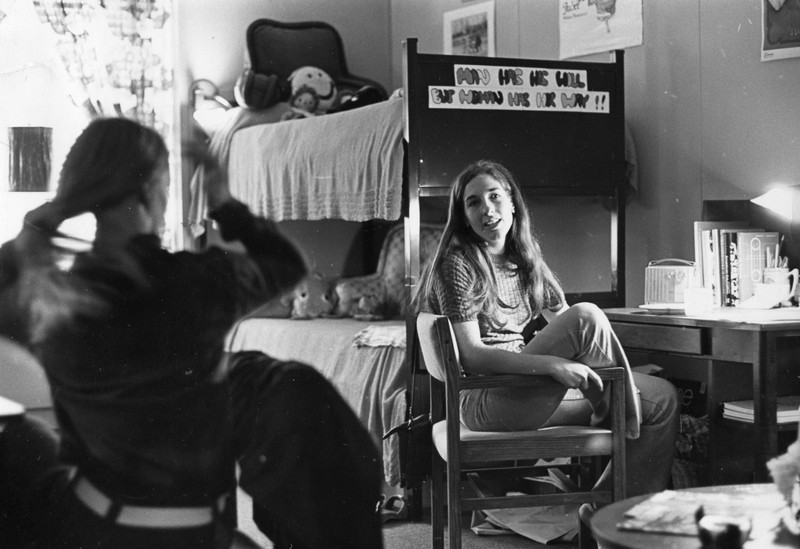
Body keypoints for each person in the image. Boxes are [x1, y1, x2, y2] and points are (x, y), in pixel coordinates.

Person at [0, 117, 383, 548]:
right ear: (153, 189)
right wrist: (223, 202)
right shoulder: (197, 281)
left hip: (94, 528)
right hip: (193, 532)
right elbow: (288, 262)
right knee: (277, 380)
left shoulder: (47, 297)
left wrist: (44, 219)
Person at [414, 159, 679, 503]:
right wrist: (554, 366)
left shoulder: (524, 257)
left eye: (494, 197)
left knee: (662, 399)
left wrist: (588, 365)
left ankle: (604, 513)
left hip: (526, 393)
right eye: (473, 202)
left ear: (512, 202)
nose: (487, 209)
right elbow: (473, 356)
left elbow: (567, 322)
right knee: (588, 316)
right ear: (463, 215)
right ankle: (614, 406)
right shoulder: (458, 263)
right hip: (486, 399)